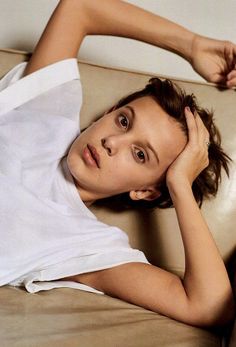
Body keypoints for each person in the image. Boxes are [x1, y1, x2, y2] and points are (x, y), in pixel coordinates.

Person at [0, 0, 235, 328]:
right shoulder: (48, 108)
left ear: (145, 190)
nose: (113, 142)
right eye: (124, 121)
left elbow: (210, 307)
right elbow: (78, 7)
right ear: (109, 112)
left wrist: (180, 184)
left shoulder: (86, 245)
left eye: (140, 155)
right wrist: (192, 45)